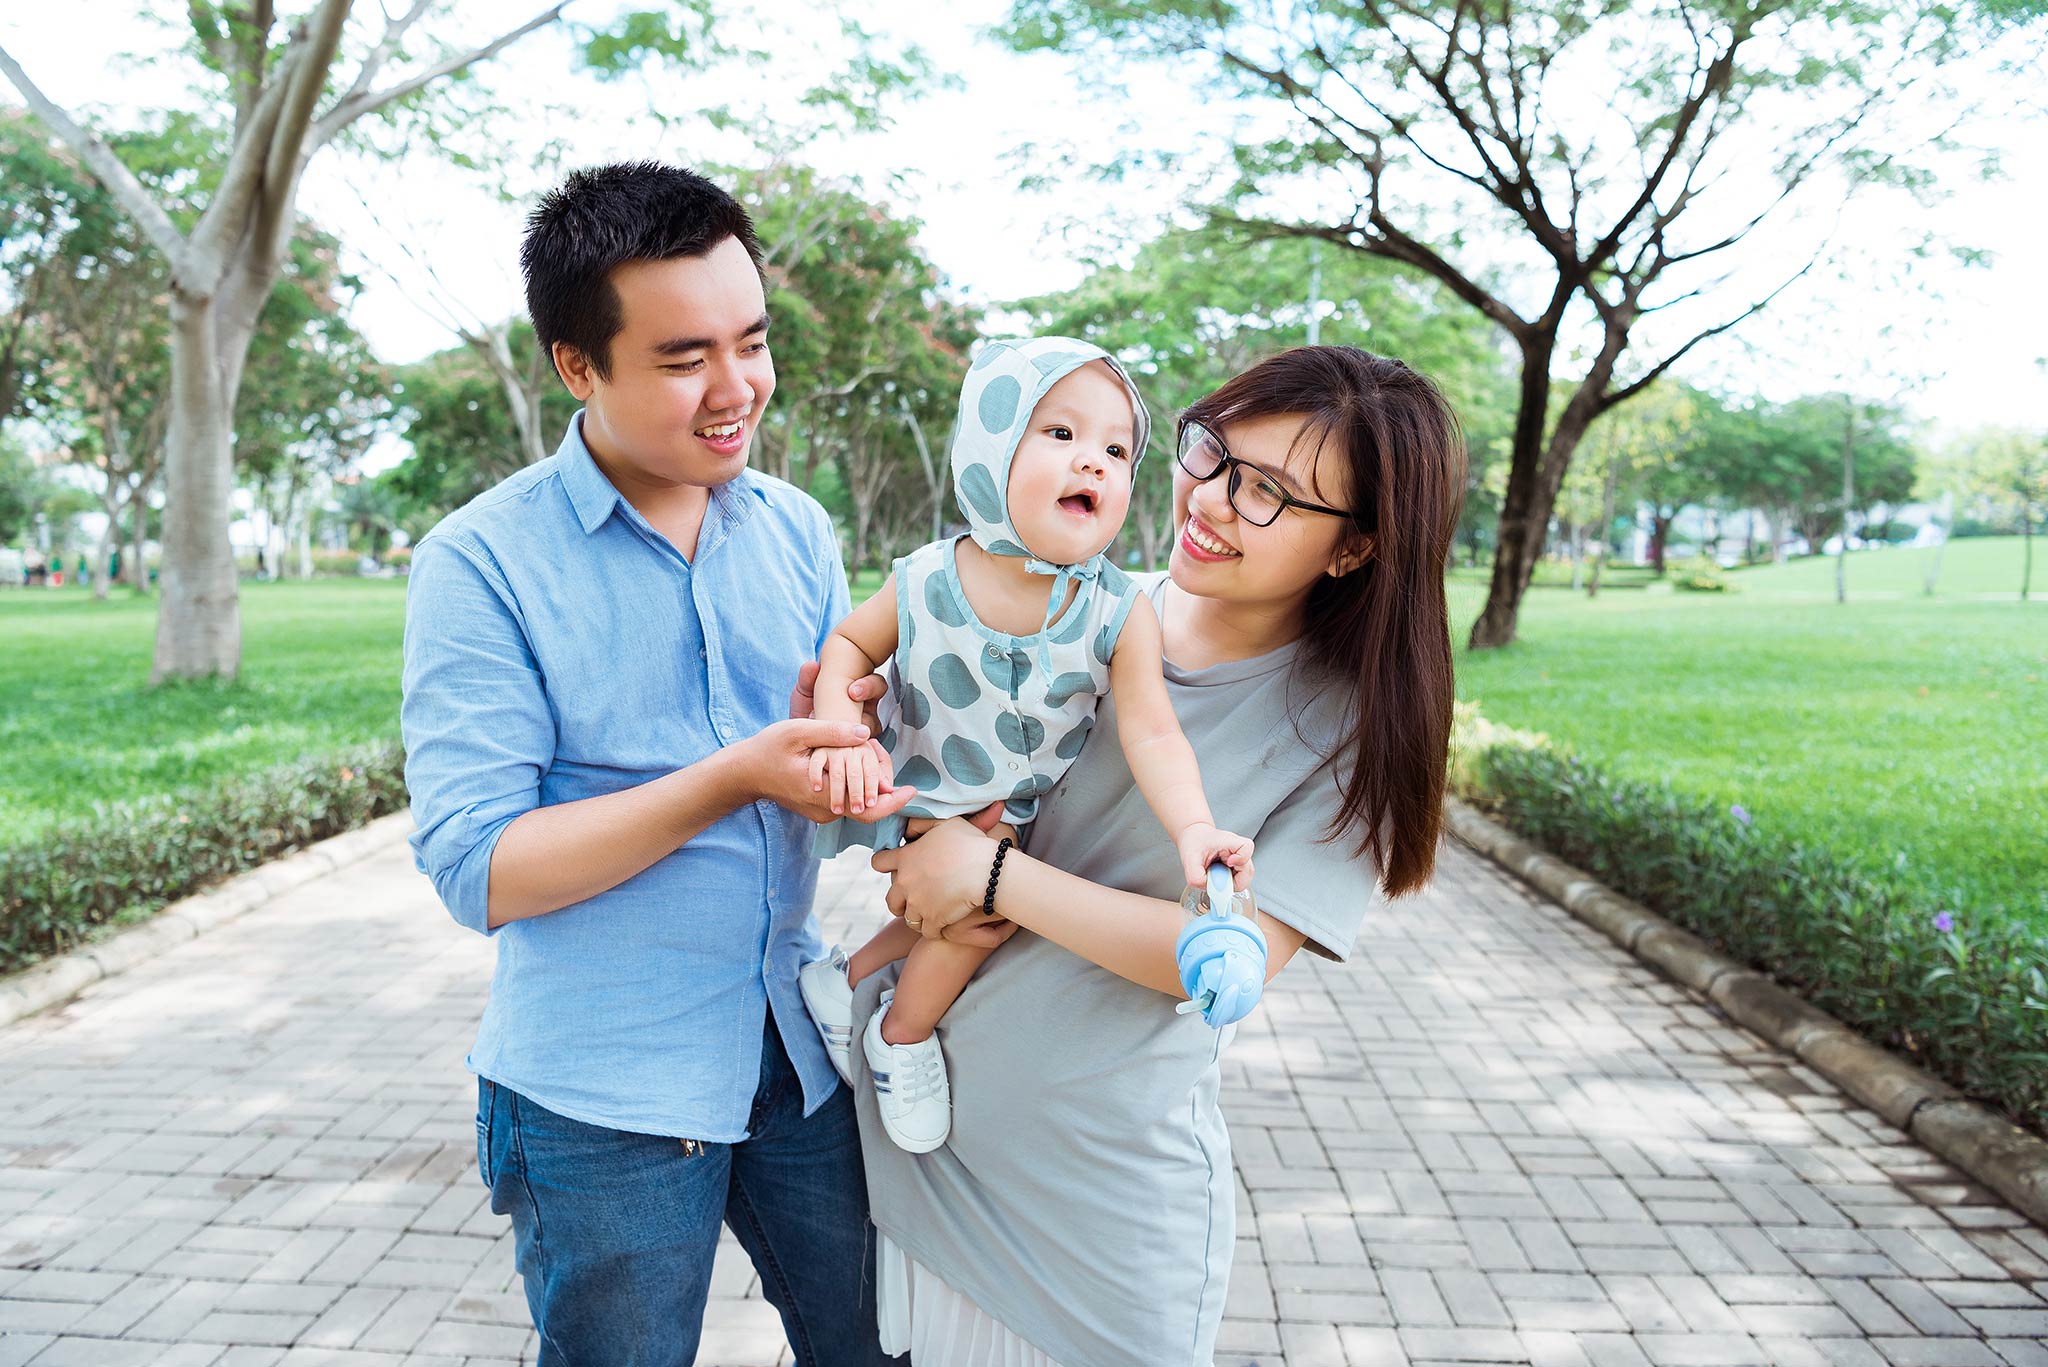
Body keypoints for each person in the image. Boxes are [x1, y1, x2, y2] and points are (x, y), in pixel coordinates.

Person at [849, 345, 1465, 1365]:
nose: (1210, 499)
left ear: (1353, 547)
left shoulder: (1352, 737)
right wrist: (860, 719)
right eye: (1212, 452)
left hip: (1092, 1228)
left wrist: (989, 874)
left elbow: (1211, 960)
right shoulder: (1075, 603)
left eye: (1268, 491)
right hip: (904, 1170)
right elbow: (928, 752)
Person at [401, 161, 912, 1367]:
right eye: (685, 358)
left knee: (888, 1345)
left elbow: (835, 787)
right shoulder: (478, 562)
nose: (736, 389)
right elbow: (480, 868)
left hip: (797, 1050)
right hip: (601, 1096)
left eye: (753, 341)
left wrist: (865, 747)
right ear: (577, 365)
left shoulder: (793, 528)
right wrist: (736, 774)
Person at [796, 337, 1255, 1156]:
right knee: (976, 913)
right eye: (1062, 434)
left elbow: (1153, 728)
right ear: (991, 448)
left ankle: (847, 979)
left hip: (1019, 809)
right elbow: (849, 646)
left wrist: (1194, 828)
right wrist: (839, 728)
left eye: (1117, 450)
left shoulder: (1116, 608)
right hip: (930, 788)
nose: (1094, 461)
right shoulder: (927, 579)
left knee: (971, 895)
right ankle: (900, 1036)